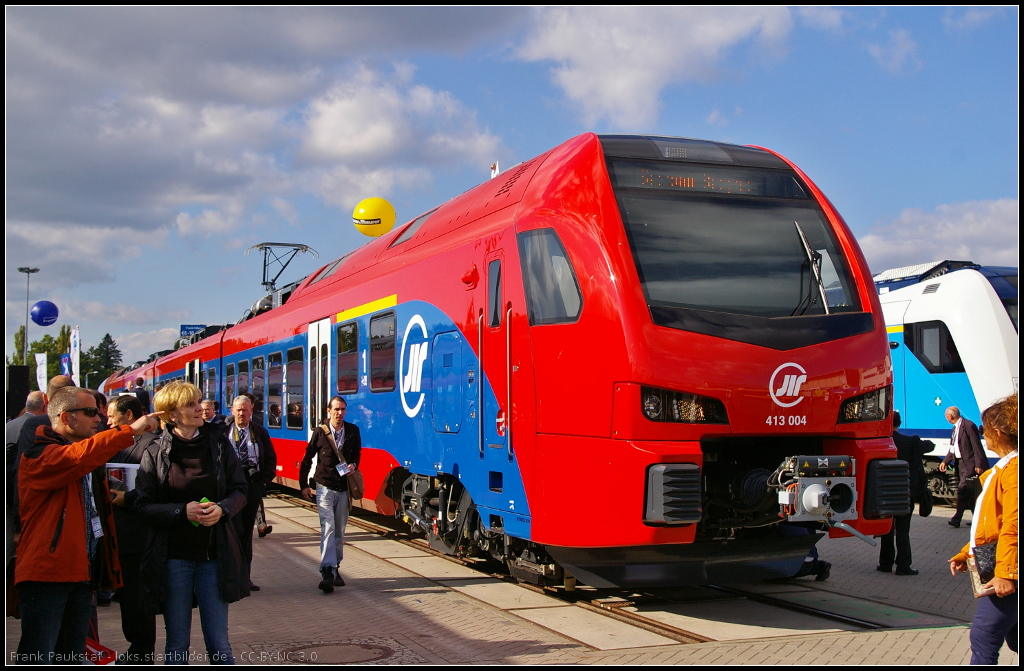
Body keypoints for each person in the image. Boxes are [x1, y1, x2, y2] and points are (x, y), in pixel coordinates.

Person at [14, 386, 157, 664]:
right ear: (66, 418)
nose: (99, 418)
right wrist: (128, 431)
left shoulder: (83, 455)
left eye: (99, 412)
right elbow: (76, 457)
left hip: (81, 574)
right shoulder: (40, 455)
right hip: (48, 575)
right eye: (91, 412)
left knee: (71, 656)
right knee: (37, 656)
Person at [135, 381, 249, 664]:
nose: (200, 408)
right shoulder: (155, 451)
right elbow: (142, 506)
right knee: (177, 643)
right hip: (174, 559)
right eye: (190, 404)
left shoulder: (219, 444)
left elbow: (240, 489)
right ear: (172, 414)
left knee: (219, 642)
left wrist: (223, 509)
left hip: (214, 556)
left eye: (198, 402)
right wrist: (180, 512)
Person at [948, 393, 1017, 664]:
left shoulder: (1013, 472)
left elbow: (1014, 525)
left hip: (1009, 571)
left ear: (997, 433)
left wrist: (1006, 574)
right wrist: (968, 552)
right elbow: (991, 526)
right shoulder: (1004, 469)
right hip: (1007, 566)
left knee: (984, 636)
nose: (983, 435)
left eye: (984, 430)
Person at [107, 394, 159, 663]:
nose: (108, 421)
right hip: (118, 533)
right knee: (127, 597)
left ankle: (142, 651)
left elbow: (159, 488)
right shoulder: (116, 441)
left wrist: (126, 498)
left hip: (137, 534)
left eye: (112, 416)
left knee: (137, 598)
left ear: (129, 416)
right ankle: (136, 647)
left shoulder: (151, 444)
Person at [299, 396, 361, 594]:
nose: (339, 413)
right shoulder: (320, 432)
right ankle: (327, 570)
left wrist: (354, 465)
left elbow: (357, 454)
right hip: (324, 486)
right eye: (336, 409)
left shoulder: (352, 431)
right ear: (329, 411)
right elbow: (307, 458)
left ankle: (336, 567)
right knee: (328, 528)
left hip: (343, 488)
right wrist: (303, 485)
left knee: (339, 532)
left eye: (343, 409)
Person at [224, 395, 277, 592]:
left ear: (251, 411)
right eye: (238, 410)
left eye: (245, 410)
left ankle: (245, 578)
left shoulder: (259, 432)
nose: (241, 414)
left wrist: (264, 481)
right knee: (233, 532)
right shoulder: (224, 432)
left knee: (246, 534)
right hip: (229, 489)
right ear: (232, 411)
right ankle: (232, 577)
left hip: (252, 488)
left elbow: (270, 458)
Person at [878, 411, 933, 576]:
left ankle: (885, 563)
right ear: (899, 423)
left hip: (884, 492)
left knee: (886, 528)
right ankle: (903, 565)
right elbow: (930, 446)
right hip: (905, 491)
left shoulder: (881, 441)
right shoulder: (910, 442)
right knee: (903, 529)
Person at [940, 406, 987, 528]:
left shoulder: (968, 425)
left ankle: (957, 519)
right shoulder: (955, 429)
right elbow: (953, 448)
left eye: (946, 416)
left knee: (962, 490)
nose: (946, 418)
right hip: (960, 464)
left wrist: (979, 464)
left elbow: (976, 445)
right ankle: (978, 519)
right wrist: (945, 461)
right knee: (969, 493)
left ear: (950, 416)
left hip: (969, 464)